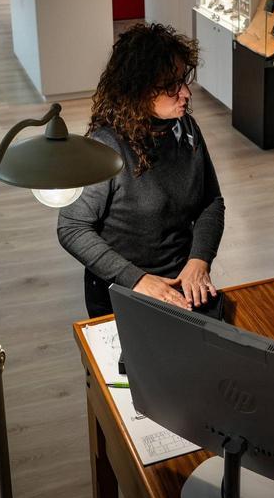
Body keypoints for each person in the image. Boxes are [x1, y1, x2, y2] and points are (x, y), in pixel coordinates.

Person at [58, 23, 224, 318]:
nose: (185, 92)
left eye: (183, 79)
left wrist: (199, 260)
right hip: (121, 290)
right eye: (172, 85)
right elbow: (72, 228)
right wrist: (136, 279)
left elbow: (211, 202)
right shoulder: (105, 148)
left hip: (182, 284)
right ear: (139, 90)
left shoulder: (186, 129)